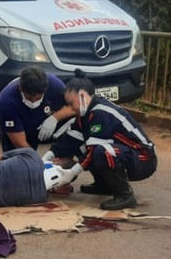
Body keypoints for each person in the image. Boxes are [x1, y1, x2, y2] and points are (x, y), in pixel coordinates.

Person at [42, 68, 157, 210]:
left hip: (143, 158)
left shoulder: (100, 114)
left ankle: (125, 195)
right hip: (125, 153)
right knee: (84, 147)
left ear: (83, 97)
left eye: (71, 103)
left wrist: (71, 173)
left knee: (101, 151)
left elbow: (93, 150)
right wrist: (45, 159)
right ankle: (104, 185)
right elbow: (70, 141)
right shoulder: (84, 114)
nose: (70, 108)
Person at [0, 66, 74, 152]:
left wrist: (55, 118)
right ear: (20, 88)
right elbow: (20, 143)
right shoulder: (7, 102)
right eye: (29, 98)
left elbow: (75, 106)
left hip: (48, 117)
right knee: (16, 158)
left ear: (46, 90)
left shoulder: (54, 84)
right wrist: (37, 162)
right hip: (21, 125)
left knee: (82, 116)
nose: (33, 102)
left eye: (37, 98)